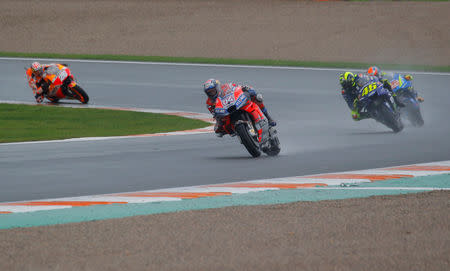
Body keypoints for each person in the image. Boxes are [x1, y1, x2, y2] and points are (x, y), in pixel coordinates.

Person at [203, 78, 276, 136]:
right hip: (227, 113)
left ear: (217, 87)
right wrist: (219, 120)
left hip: (237, 103)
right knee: (218, 129)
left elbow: (237, 87)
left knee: (257, 97)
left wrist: (245, 88)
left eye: (213, 91)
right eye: (209, 92)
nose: (211, 93)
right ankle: (237, 132)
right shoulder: (209, 102)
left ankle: (268, 117)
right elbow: (215, 114)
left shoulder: (226, 86)